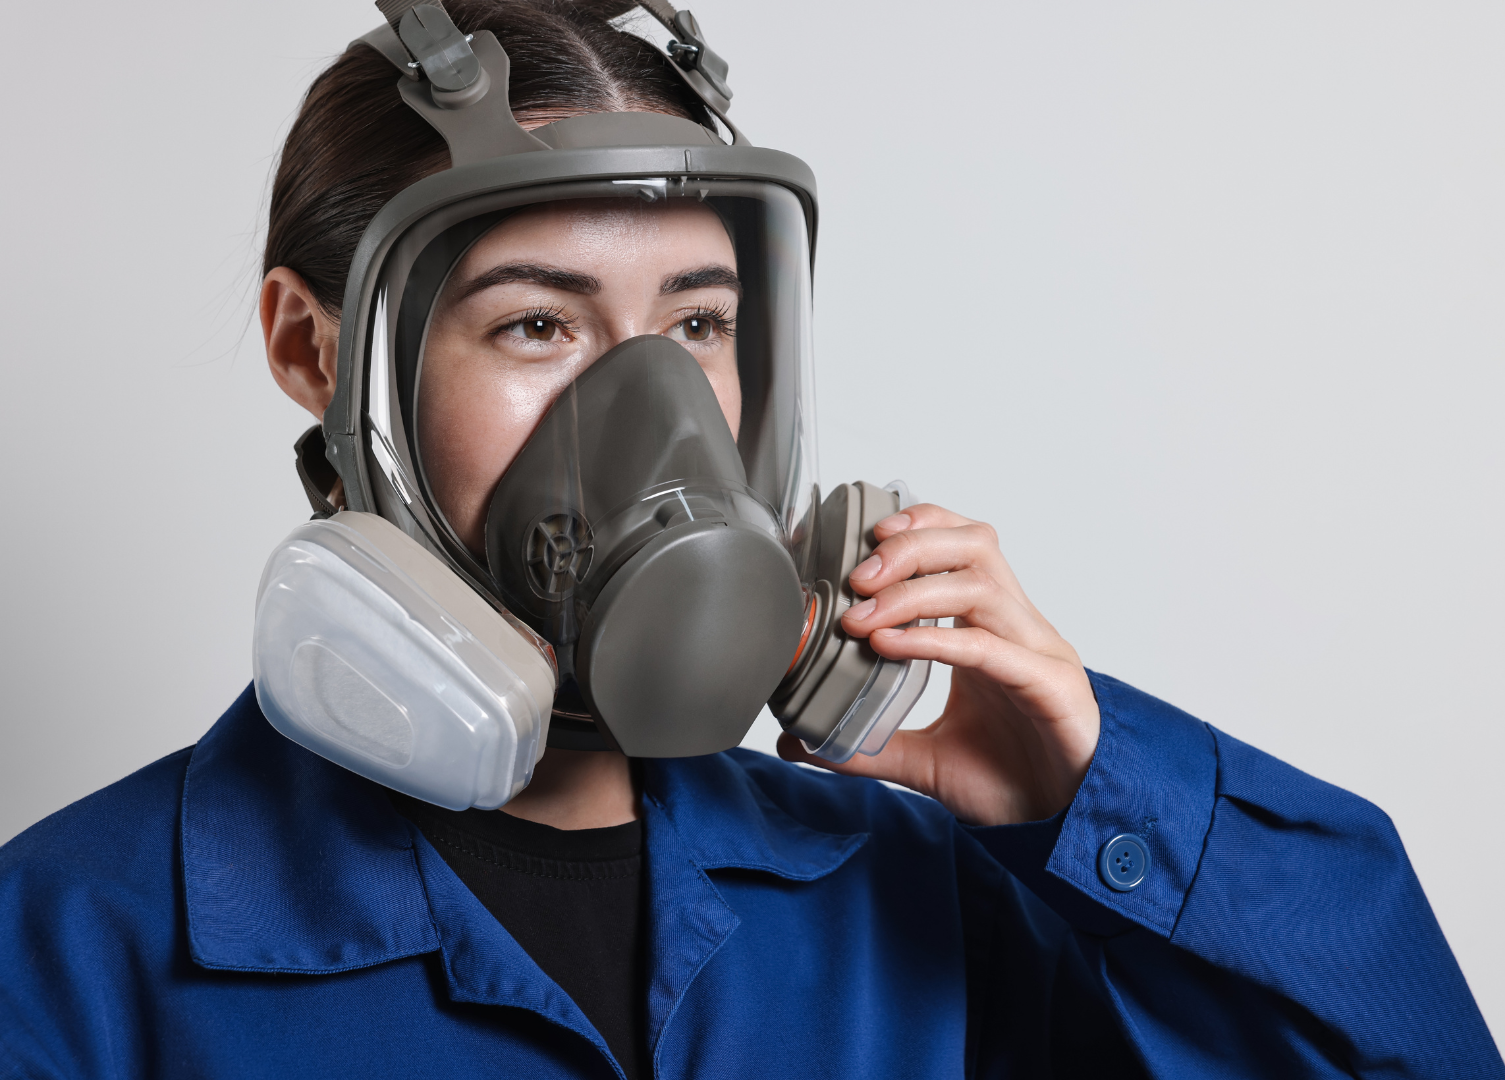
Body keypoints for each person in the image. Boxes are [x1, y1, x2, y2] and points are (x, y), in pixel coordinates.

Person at [0, 1, 1499, 1077]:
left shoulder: (910, 893)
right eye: (537, 321)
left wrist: (1092, 799)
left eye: (699, 323)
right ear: (307, 343)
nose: (655, 409)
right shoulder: (72, 950)